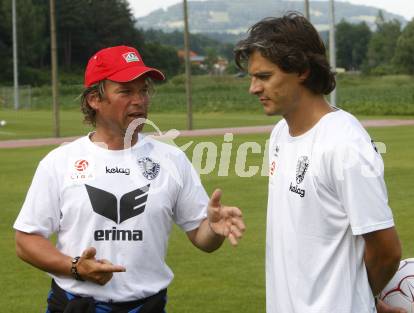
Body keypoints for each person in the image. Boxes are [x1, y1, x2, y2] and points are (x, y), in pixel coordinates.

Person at [14, 45, 245, 313]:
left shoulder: (171, 160)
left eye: (144, 90)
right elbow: (26, 240)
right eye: (126, 91)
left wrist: (213, 230)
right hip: (75, 306)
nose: (139, 100)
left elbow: (202, 237)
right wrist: (75, 266)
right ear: (94, 100)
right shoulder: (59, 162)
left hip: (148, 307)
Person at [234, 12, 405, 313]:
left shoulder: (344, 145)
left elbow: (386, 251)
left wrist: (359, 297)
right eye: (252, 77)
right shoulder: (279, 134)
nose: (254, 88)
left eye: (264, 76)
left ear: (300, 70)